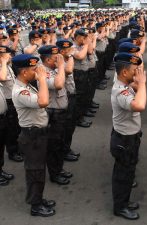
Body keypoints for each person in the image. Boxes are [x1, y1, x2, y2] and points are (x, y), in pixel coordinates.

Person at [12, 54, 55, 217]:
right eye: (33, 69)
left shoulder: (27, 85)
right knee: (34, 171)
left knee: (39, 170)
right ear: (24, 72)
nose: (37, 72)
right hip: (32, 138)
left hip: (38, 135)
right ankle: (35, 205)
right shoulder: (20, 91)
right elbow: (43, 102)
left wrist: (39, 77)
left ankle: (39, 198)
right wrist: (43, 78)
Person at [110, 52, 146, 220]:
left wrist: (139, 81)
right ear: (124, 72)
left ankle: (124, 201)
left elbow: (138, 92)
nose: (136, 73)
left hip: (130, 137)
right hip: (124, 140)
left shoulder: (126, 85)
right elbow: (139, 105)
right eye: (134, 70)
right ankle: (120, 207)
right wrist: (143, 83)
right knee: (122, 175)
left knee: (129, 171)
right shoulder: (120, 91)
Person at [38, 45, 71, 185]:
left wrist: (60, 66)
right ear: (47, 59)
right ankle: (54, 173)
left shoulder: (54, 69)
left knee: (60, 142)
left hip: (60, 112)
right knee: (53, 145)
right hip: (52, 113)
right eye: (55, 57)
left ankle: (58, 168)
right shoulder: (42, 72)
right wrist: (61, 66)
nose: (59, 58)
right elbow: (58, 85)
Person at [56, 39, 80, 162]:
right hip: (64, 98)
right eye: (67, 50)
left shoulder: (66, 59)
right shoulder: (58, 62)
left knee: (70, 126)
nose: (69, 51)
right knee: (64, 127)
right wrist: (71, 55)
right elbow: (69, 70)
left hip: (71, 94)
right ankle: (63, 151)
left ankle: (66, 148)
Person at [0, 45, 23, 162]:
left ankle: (16, 148)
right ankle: (12, 152)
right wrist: (3, 62)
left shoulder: (8, 66)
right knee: (10, 129)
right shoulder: (2, 67)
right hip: (7, 103)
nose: (10, 56)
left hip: (14, 100)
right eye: (7, 54)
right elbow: (2, 78)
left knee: (16, 127)